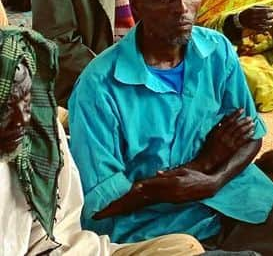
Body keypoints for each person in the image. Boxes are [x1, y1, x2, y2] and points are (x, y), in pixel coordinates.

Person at [67, 0, 273, 252]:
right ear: (136, 4)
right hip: (155, 227)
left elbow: (250, 137)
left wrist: (214, 180)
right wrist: (204, 164)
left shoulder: (217, 50)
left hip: (237, 199)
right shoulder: (99, 87)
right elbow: (101, 207)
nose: (183, 9)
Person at [0, 26, 204, 255]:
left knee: (182, 248)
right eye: (5, 108)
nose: (21, 120)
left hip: (68, 250)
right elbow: (103, 205)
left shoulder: (38, 130)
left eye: (27, 102)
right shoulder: (99, 84)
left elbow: (60, 234)